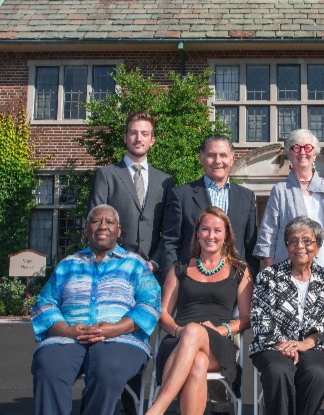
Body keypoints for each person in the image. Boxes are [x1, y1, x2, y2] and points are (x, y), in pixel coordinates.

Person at [30, 204, 161, 415]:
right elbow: (44, 304)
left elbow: (150, 304)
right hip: (68, 338)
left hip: (120, 340)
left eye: (109, 222)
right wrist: (66, 330)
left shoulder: (136, 265)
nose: (102, 226)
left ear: (119, 231)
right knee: (49, 366)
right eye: (95, 221)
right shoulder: (68, 264)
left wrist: (116, 329)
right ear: (86, 229)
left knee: (107, 369)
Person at [147, 206, 253, 415]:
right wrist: (181, 331)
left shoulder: (240, 270)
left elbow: (246, 318)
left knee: (195, 332)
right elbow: (164, 313)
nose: (210, 235)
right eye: (205, 229)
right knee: (197, 361)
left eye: (217, 230)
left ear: (226, 235)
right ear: (197, 233)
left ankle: (156, 410)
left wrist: (219, 330)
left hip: (218, 344)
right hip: (178, 342)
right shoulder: (180, 268)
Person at [250, 216, 324, 415]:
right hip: (274, 345)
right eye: (293, 241)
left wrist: (305, 343)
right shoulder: (269, 277)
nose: (299, 246)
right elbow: (260, 315)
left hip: (317, 346)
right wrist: (281, 344)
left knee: (315, 373)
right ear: (286, 246)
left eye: (307, 241)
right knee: (278, 371)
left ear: (318, 247)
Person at [254, 129, 324, 285]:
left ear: (314, 155)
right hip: (288, 273)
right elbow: (268, 235)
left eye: (307, 148)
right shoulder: (280, 191)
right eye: (296, 147)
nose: (302, 152)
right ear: (290, 154)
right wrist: (273, 272)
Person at [161, 134, 258, 281]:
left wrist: (250, 280)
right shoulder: (182, 195)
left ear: (232, 160)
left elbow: (251, 246)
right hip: (191, 284)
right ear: (201, 158)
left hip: (235, 284)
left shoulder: (247, 197)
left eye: (223, 155)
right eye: (211, 155)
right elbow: (170, 243)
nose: (217, 161)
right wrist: (172, 281)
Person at [89, 112, 175, 275]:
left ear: (152, 141)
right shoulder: (106, 175)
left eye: (145, 134)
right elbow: (96, 225)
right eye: (133, 133)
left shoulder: (165, 181)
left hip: (151, 272)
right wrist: (115, 259)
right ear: (125, 137)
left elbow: (170, 230)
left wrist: (155, 262)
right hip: (113, 268)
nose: (139, 138)